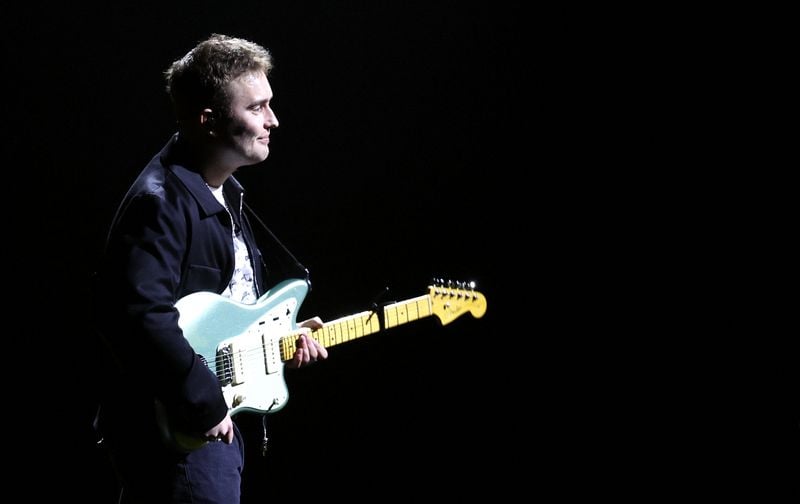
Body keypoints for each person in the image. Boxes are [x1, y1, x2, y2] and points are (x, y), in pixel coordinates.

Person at [93, 33, 329, 503]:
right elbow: (141, 316)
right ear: (210, 121)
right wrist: (201, 401)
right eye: (257, 108)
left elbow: (220, 308)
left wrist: (274, 338)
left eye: (271, 104)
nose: (273, 120)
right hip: (181, 434)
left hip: (207, 424)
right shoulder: (159, 202)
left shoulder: (223, 191)